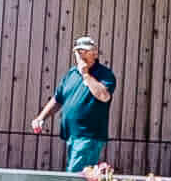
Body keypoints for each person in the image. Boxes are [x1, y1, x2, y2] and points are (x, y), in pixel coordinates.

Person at [31, 36, 116, 173]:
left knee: (75, 177)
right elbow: (58, 99)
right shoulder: (71, 74)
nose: (81, 55)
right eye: (78, 51)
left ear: (94, 53)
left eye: (85, 51)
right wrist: (41, 118)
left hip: (89, 137)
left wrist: (86, 75)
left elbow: (104, 96)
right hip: (72, 136)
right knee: (80, 179)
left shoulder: (105, 74)